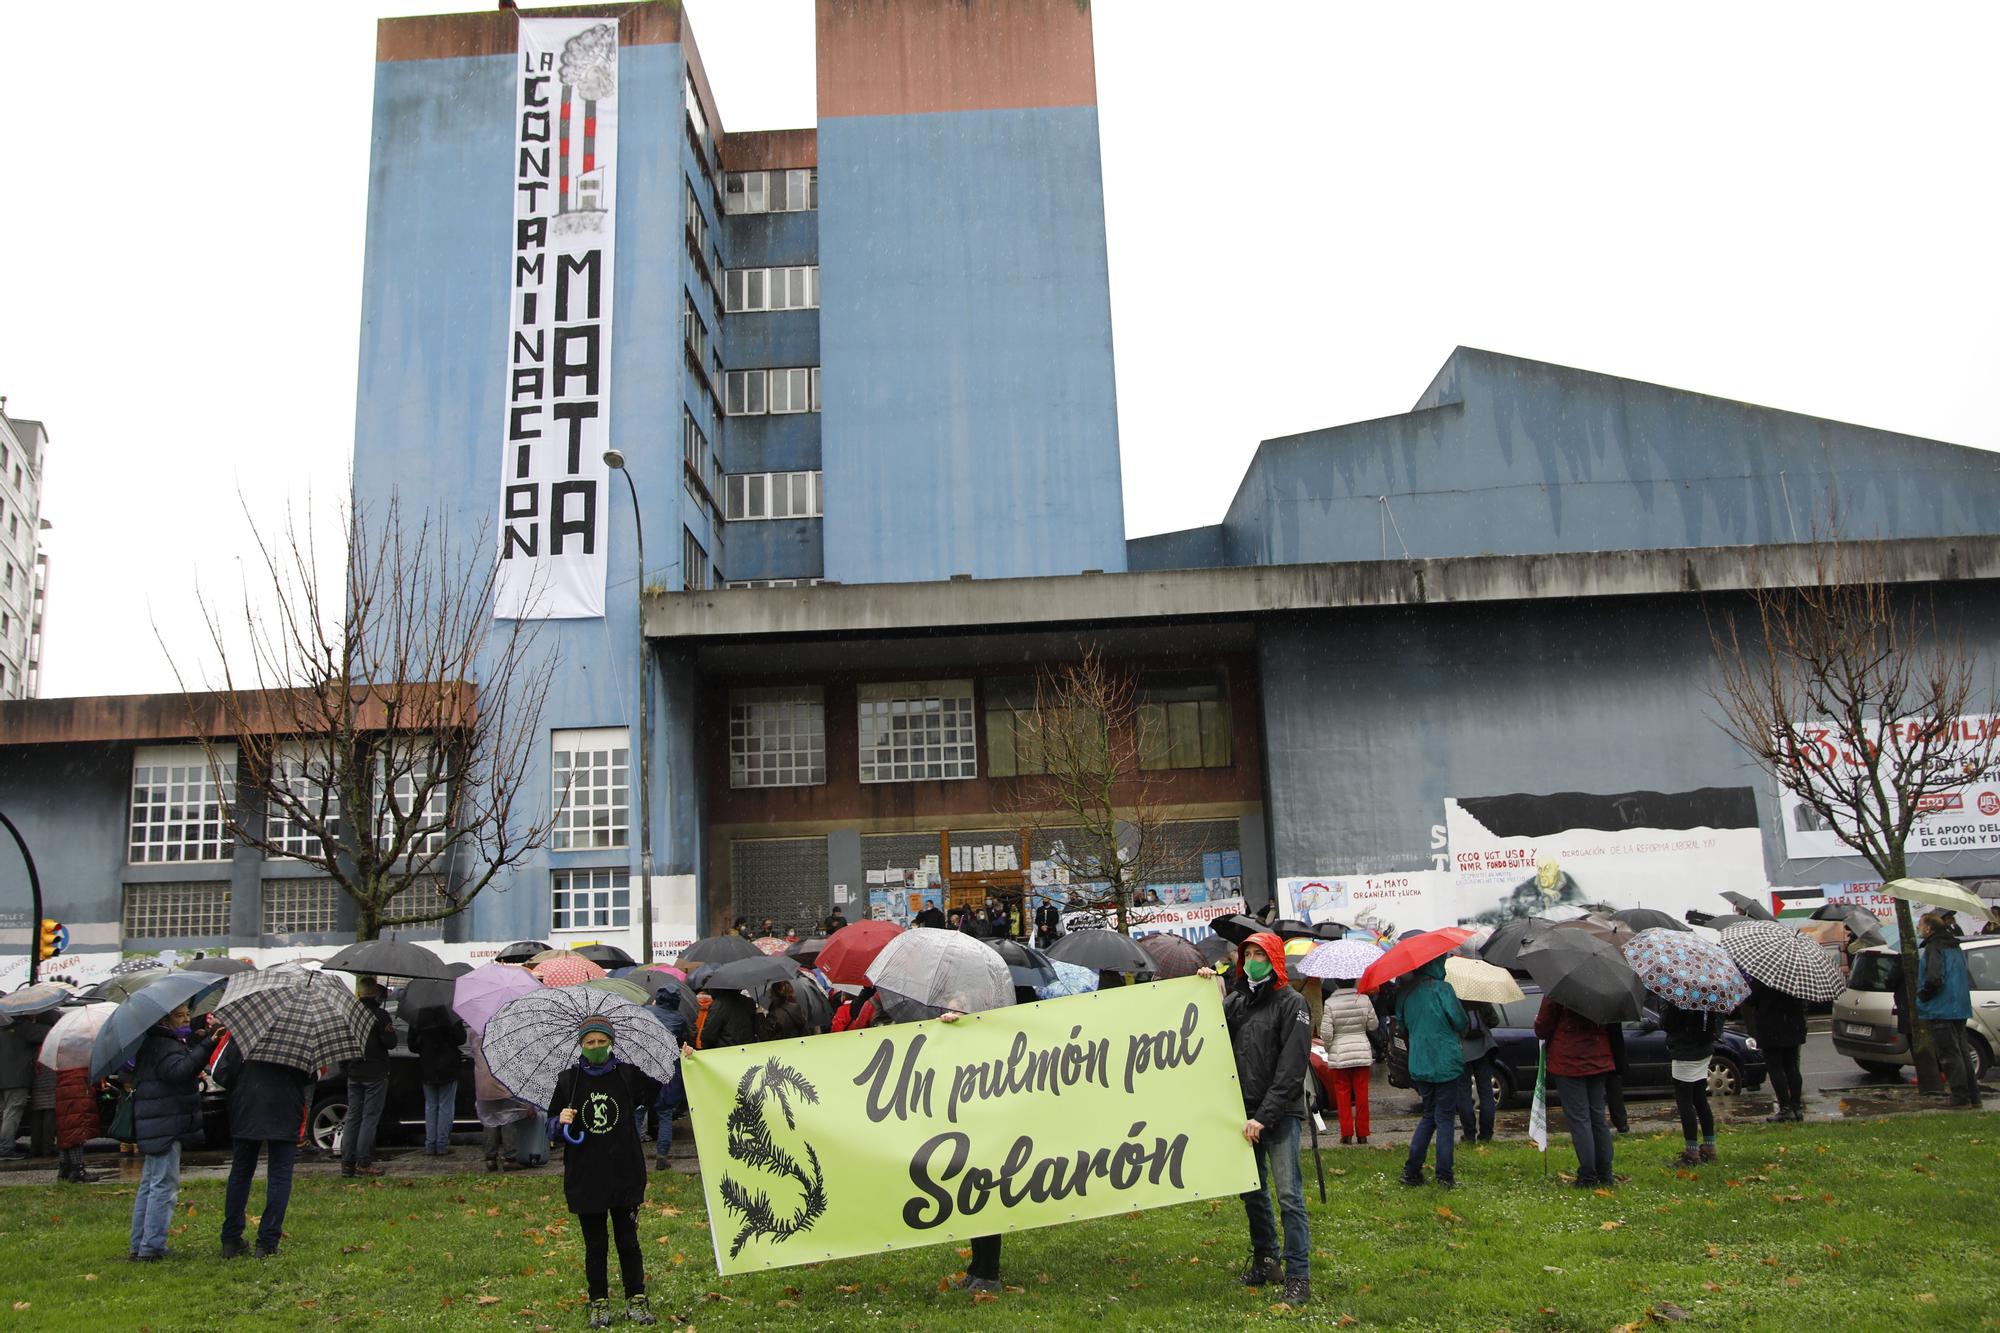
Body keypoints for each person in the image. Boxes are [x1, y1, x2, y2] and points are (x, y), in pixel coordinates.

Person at [1215, 932, 1312, 1305]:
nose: (1253, 960)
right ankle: (1266, 1259)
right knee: (1252, 1193)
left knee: (1289, 1196)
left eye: (1260, 954)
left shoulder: (1292, 1003)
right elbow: (1211, 1028)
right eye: (1248, 954)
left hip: (1280, 1115)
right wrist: (1207, 986)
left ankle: (1298, 1275)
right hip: (1245, 1114)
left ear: (1274, 959)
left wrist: (1265, 1116)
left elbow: (1291, 1068)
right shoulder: (1238, 1002)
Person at [550, 1016, 661, 1328]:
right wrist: (561, 1121)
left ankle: (636, 1297)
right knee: (595, 1244)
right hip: (586, 1175)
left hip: (624, 1171)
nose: (596, 1047)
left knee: (628, 1241)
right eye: (590, 1043)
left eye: (601, 1041)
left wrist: (687, 1063)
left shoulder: (628, 1075)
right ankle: (598, 1301)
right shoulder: (568, 1081)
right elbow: (552, 1128)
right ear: (581, 1045)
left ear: (611, 1042)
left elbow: (665, 1098)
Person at [214, 1029, 313, 1257]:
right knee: (279, 1175)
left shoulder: (244, 1028)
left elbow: (220, 1071)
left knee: (240, 1172)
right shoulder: (301, 1033)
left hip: (246, 1106)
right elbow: (313, 1075)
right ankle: (267, 1242)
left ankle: (231, 1238)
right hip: (286, 1108)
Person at [129, 1003, 214, 1261]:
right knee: (163, 1185)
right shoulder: (164, 1044)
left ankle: (140, 1244)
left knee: (150, 1184)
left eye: (188, 1013)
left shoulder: (155, 1042)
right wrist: (205, 1047)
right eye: (180, 1015)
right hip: (165, 1122)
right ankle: (152, 1247)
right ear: (165, 1020)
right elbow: (177, 1072)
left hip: (157, 1120)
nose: (186, 1019)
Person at [1396, 956, 1468, 1188]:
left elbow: (1402, 1026)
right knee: (1445, 1118)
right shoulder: (1443, 990)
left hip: (1420, 1063)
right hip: (1446, 1062)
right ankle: (1444, 1175)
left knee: (1429, 1115)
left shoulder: (1406, 993)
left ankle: (1411, 1170)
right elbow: (1460, 1021)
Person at [1534, 993, 1617, 1188]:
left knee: (1580, 1119)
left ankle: (1588, 1175)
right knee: (1597, 1118)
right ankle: (1605, 1173)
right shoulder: (1603, 989)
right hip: (1598, 1057)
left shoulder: (1559, 990)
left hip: (1569, 1061)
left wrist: (1538, 1023)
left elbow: (1543, 1028)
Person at [1917, 909, 1982, 1108]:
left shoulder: (1934, 947)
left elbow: (1934, 978)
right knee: (1962, 1052)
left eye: (1920, 925)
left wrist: (1924, 995)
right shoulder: (1955, 946)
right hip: (1959, 1007)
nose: (1918, 928)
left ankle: (1959, 1097)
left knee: (1949, 1055)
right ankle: (1973, 1096)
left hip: (1941, 1007)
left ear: (1928, 928)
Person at [341, 978, 399, 1177]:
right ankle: (363, 1162)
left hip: (354, 1071)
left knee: (353, 1117)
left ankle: (347, 1162)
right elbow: (390, 1042)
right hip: (375, 1072)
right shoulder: (380, 1015)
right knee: (369, 1118)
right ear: (375, 993)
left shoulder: (350, 1015)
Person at [1658, 997, 1722, 1165]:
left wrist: (1664, 1009)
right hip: (1704, 1047)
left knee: (1685, 1101)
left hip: (1685, 1051)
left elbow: (1667, 1024)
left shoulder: (1677, 996)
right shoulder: (1706, 991)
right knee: (1700, 1098)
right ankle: (1709, 1146)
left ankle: (1692, 1152)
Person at [1317, 977, 1377, 1144]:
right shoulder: (1364, 1000)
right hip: (1361, 1052)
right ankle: (1363, 1134)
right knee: (1362, 1093)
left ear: (1336, 983)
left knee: (1342, 1094)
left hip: (1339, 1053)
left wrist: (1330, 1049)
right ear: (1354, 982)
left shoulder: (1330, 1003)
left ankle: (1346, 1134)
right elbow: (1373, 1025)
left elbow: (1327, 1033)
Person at [1742, 978, 1807, 1122]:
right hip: (1792, 1026)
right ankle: (1796, 1107)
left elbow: (1750, 999)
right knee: (1792, 1067)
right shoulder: (1796, 976)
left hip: (1771, 1028)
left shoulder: (1764, 977)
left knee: (1775, 1068)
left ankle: (1785, 1108)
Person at [410, 1011, 467, 1156]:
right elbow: (461, 1039)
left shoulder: (418, 1014)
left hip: (427, 1065)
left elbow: (412, 1045)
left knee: (430, 1106)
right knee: (445, 1106)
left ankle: (430, 1144)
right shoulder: (451, 1013)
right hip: (448, 1067)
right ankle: (442, 1145)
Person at [646, 990, 691, 1171]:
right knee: (665, 1113)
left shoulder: (646, 1011)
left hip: (645, 1065)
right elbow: (686, 1040)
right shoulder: (679, 1019)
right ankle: (662, 1156)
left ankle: (630, 1155)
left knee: (638, 1110)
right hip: (669, 1069)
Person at [51, 1038, 105, 1184]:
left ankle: (64, 1168)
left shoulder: (61, 1052)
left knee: (66, 1132)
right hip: (78, 1092)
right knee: (76, 1131)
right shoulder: (82, 1054)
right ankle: (77, 1170)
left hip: (64, 1092)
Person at [1457, 1000, 1499, 1144]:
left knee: (1463, 1093)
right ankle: (1486, 1135)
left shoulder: (1453, 997)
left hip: (1461, 1050)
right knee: (1486, 1091)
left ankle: (1469, 1135)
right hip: (1484, 1048)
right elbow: (1495, 1020)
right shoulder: (1480, 996)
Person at [0, 1015, 34, 1159]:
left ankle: (6, 1143)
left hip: (3, 1078)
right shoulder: (23, 1027)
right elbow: (46, 1033)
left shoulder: (3, 1028)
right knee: (12, 1112)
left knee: (4, 1113)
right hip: (16, 1079)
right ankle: (5, 1148)